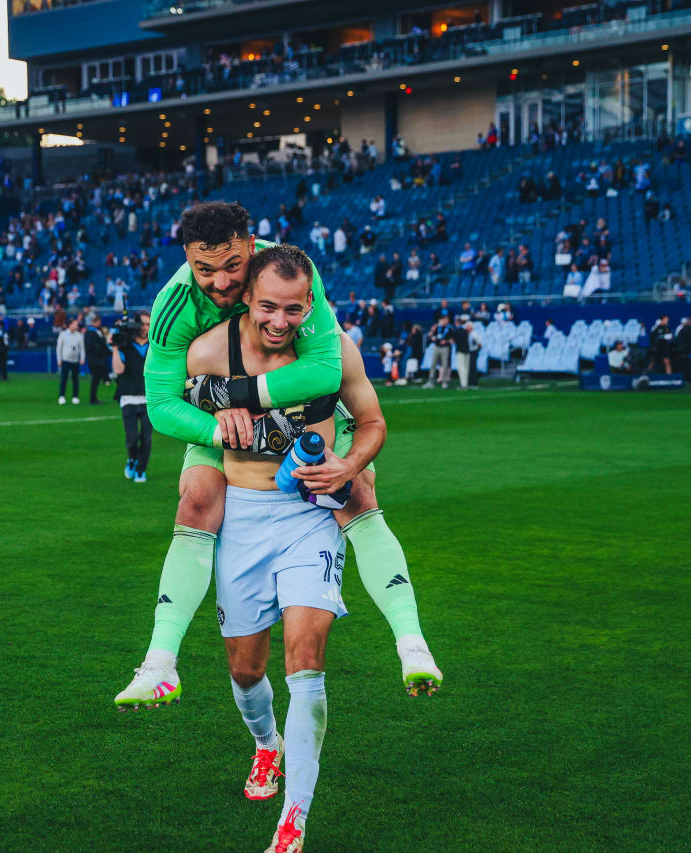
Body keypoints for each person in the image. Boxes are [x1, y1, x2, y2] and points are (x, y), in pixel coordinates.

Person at [115, 206, 438, 709]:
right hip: (223, 424)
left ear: (251, 246)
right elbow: (160, 406)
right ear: (186, 258)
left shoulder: (290, 273)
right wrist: (220, 426)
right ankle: (159, 663)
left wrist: (232, 394)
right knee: (196, 499)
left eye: (231, 266)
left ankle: (412, 643)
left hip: (298, 410)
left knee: (358, 492)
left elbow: (324, 373)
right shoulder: (173, 306)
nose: (220, 282)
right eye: (205, 269)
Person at [182, 245, 410, 852]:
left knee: (305, 665)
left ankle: (295, 820)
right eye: (268, 307)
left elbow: (373, 423)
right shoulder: (211, 350)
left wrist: (348, 467)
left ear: (310, 303)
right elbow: (170, 403)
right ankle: (266, 746)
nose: (280, 320)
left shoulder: (333, 348)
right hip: (245, 517)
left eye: (293, 309)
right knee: (244, 670)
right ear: (249, 298)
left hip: (310, 517)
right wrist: (213, 419)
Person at [112, 311, 153, 483]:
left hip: (149, 398)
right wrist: (114, 346)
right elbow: (118, 370)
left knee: (146, 439)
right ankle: (131, 459)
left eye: (148, 324)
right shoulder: (125, 344)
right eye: (142, 324)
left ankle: (141, 469)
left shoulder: (154, 345)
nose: (145, 328)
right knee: (132, 439)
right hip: (128, 397)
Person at [56, 317, 84, 405]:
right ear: (70, 325)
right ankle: (61, 396)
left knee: (75, 379)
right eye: (75, 324)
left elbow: (82, 348)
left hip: (75, 360)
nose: (76, 325)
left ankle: (75, 397)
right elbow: (58, 348)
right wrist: (59, 359)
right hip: (65, 360)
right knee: (64, 379)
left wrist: (82, 358)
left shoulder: (79, 335)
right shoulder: (63, 334)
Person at [84, 314, 110, 404]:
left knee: (96, 379)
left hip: (95, 359)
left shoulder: (94, 332)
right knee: (95, 379)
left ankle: (93, 397)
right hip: (95, 359)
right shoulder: (91, 332)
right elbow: (92, 346)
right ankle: (93, 398)